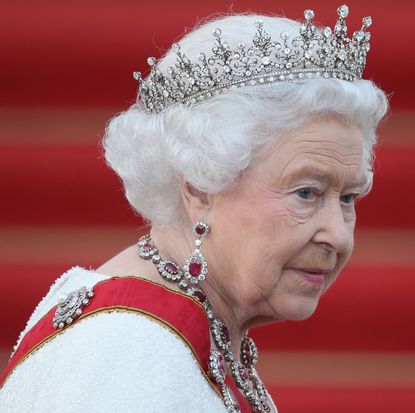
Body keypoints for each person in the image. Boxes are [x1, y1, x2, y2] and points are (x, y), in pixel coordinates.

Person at [0, 5, 388, 413]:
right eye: (307, 193)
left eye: (348, 199)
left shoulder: (186, 330)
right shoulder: (129, 352)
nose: (340, 235)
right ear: (201, 188)